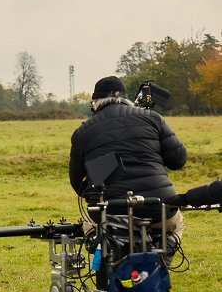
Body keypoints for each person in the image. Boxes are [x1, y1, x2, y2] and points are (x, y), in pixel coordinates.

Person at [69, 76, 187, 262]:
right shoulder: (153, 118)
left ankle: (105, 265)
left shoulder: (83, 132)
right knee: (176, 225)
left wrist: (102, 172)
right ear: (126, 98)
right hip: (159, 207)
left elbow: (78, 184)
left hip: (110, 212)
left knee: (91, 226)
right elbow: (178, 160)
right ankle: (165, 254)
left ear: (95, 103)